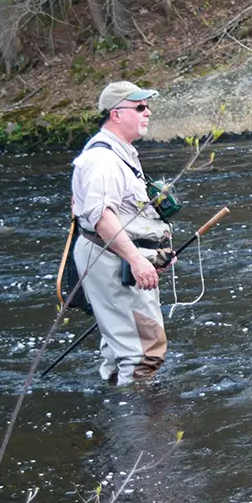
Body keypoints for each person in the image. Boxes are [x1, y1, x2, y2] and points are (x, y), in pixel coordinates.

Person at [71, 81, 174, 385]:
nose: (148, 112)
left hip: (121, 256)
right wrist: (138, 261)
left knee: (121, 350)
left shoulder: (120, 152)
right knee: (143, 353)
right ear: (116, 115)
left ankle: (116, 415)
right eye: (140, 107)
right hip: (112, 260)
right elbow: (103, 219)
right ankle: (140, 427)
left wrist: (153, 254)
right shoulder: (103, 160)